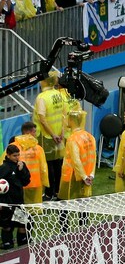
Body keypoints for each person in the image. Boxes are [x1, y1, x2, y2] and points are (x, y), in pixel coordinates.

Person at [33, 70, 68, 200]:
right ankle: (58, 190)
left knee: (48, 164)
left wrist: (52, 134)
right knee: (58, 163)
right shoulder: (59, 95)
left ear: (45, 81)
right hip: (59, 134)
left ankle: (49, 192)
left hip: (46, 135)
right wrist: (62, 132)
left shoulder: (42, 97)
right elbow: (64, 115)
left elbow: (42, 119)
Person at [59, 107, 95, 201]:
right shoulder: (90, 136)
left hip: (72, 175)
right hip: (87, 173)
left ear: (72, 120)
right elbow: (93, 157)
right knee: (83, 201)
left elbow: (76, 160)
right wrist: (91, 175)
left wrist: (84, 177)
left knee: (68, 201)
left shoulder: (73, 139)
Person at [0, 144, 31, 250]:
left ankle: (22, 244)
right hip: (7, 203)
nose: (17, 157)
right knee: (7, 226)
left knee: (23, 224)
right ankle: (7, 244)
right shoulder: (4, 168)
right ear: (8, 155)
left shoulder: (21, 165)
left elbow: (26, 182)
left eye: (18, 155)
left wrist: (22, 170)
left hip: (19, 202)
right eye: (14, 155)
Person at [12, 120, 47, 205]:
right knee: (35, 208)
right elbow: (43, 169)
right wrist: (45, 183)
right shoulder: (38, 149)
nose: (35, 134)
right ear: (28, 132)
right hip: (35, 183)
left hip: (19, 183)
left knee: (20, 208)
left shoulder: (12, 147)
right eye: (34, 132)